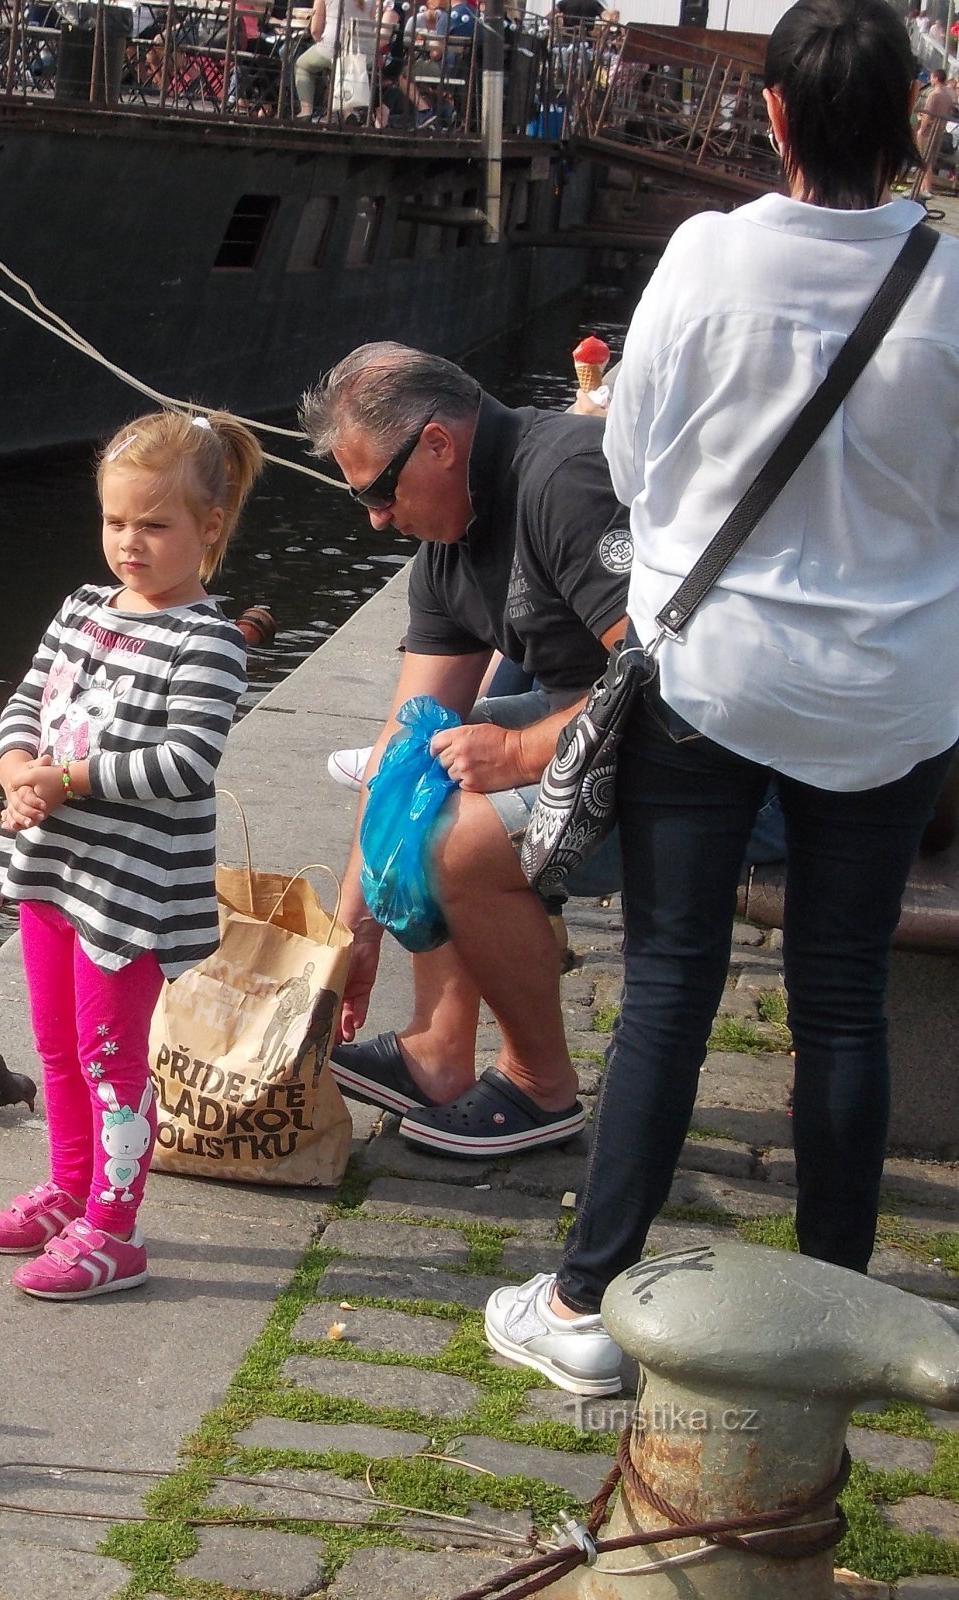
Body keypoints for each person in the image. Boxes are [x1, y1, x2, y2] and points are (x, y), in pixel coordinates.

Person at [485, 0, 959, 1398]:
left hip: (716, 676)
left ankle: (582, 1299)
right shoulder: (949, 284)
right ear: (911, 123)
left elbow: (627, 458)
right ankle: (835, 1307)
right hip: (892, 699)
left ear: (774, 120)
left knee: (672, 986)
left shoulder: (704, 254)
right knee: (842, 1001)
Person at [298, 344, 629, 1160]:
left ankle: (538, 1086)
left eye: (378, 491)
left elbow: (666, 680)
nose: (375, 517)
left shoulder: (565, 482)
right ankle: (437, 1054)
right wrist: (353, 929)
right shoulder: (446, 539)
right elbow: (405, 737)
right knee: (420, 784)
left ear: (439, 444)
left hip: (719, 764)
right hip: (595, 721)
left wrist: (518, 753)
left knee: (462, 840)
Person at [0, 410, 264, 1300]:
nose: (128, 544)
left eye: (154, 525)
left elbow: (186, 761)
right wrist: (17, 765)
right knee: (54, 1044)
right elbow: (25, 700)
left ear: (209, 528)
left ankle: (114, 1223)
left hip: (128, 888)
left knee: (109, 1054)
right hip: (52, 866)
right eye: (114, 522)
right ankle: (68, 1185)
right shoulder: (81, 609)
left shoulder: (207, 640)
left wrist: (67, 778)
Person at [911, 67, 955, 198]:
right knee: (931, 160)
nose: (930, 79)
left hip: (929, 131)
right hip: (940, 130)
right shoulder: (949, 95)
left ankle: (927, 188)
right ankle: (925, 187)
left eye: (931, 77)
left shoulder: (934, 94)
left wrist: (921, 131)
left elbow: (928, 115)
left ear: (936, 78)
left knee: (925, 160)